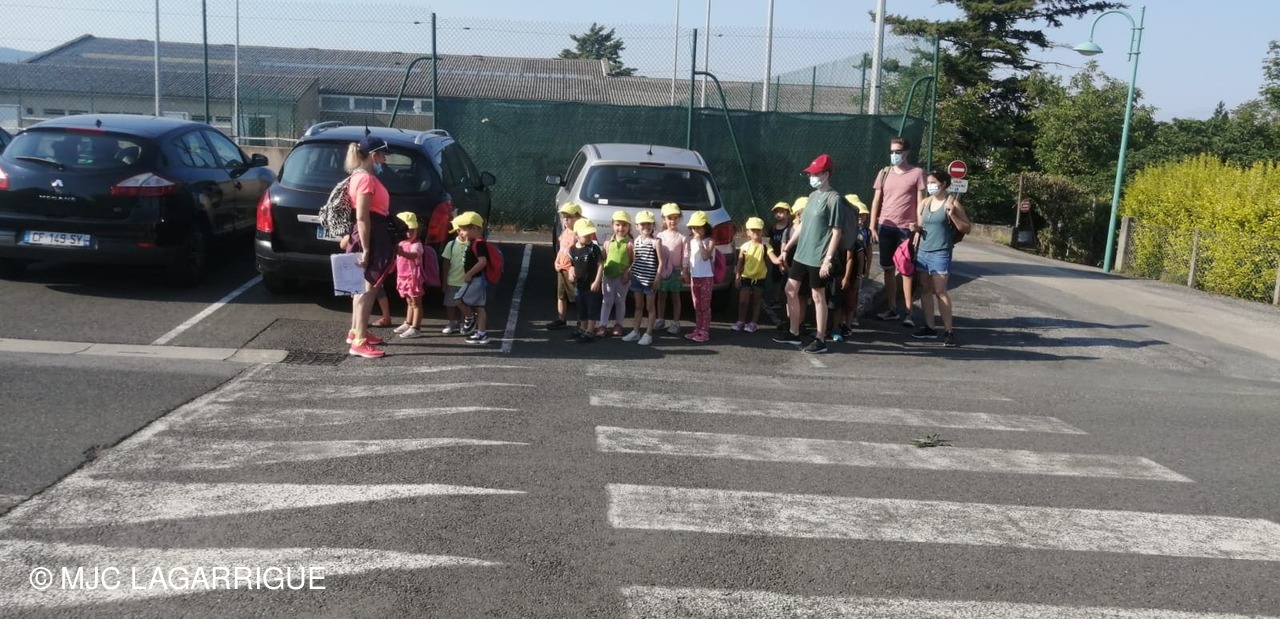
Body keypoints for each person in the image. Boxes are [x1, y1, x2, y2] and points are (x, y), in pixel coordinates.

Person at [774, 154, 846, 355]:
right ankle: (794, 332)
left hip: (818, 256)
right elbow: (802, 225)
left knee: (817, 295)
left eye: (815, 174)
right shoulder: (813, 196)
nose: (811, 177)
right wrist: (787, 248)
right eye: (811, 174)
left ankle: (820, 339)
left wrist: (827, 260)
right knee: (790, 290)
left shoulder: (834, 199)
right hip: (801, 254)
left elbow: (837, 232)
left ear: (826, 174)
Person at [343, 136, 395, 359]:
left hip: (371, 233)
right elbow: (362, 217)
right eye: (383, 156)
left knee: (361, 287)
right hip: (372, 235)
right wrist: (366, 249)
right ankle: (359, 342)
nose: (384, 160)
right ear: (374, 156)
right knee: (368, 288)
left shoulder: (359, 176)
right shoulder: (366, 180)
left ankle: (356, 331)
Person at [869, 136, 927, 328]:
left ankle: (909, 312)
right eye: (892, 151)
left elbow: (921, 202)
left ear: (906, 152)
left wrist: (918, 227)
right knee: (887, 268)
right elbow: (876, 200)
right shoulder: (884, 173)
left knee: (906, 271)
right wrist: (872, 225)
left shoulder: (917, 173)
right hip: (885, 226)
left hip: (906, 228)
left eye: (898, 152)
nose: (894, 155)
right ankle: (892, 308)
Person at [910, 170, 971, 347]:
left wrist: (952, 214)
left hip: (941, 252)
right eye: (928, 182)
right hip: (923, 250)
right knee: (925, 288)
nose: (930, 186)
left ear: (943, 184)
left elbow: (967, 228)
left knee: (940, 291)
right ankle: (929, 327)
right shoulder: (925, 202)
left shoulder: (952, 203)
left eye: (933, 182)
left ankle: (948, 331)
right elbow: (921, 225)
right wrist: (915, 228)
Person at [831, 193, 868, 340]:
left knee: (850, 301)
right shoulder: (840, 233)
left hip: (850, 276)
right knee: (838, 301)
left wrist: (857, 277)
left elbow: (856, 258)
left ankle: (847, 325)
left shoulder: (855, 239)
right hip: (838, 273)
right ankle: (837, 325)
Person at [623, 210, 663, 345]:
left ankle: (648, 334)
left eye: (649, 224)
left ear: (653, 226)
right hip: (636, 278)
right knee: (638, 306)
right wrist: (629, 270)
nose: (646, 227)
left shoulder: (656, 242)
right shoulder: (637, 241)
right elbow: (636, 259)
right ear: (637, 226)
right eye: (642, 224)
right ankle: (635, 332)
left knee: (650, 308)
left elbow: (661, 262)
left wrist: (657, 278)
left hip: (650, 280)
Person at [452, 212, 492, 345]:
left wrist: (469, 274)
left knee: (458, 299)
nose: (461, 233)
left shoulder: (478, 244)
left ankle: (470, 318)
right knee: (479, 307)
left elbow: (482, 262)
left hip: (475, 279)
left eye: (464, 229)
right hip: (478, 279)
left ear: (474, 228)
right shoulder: (474, 242)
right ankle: (482, 334)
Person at [545, 203, 582, 330]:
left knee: (576, 297)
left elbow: (579, 254)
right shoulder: (565, 232)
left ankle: (581, 321)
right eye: (564, 217)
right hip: (561, 268)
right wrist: (556, 261)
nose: (566, 220)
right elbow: (561, 250)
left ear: (578, 217)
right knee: (561, 295)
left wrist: (573, 268)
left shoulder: (578, 235)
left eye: (569, 217)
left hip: (571, 270)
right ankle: (561, 319)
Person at [568, 218, 604, 343]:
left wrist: (597, 281)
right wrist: (571, 272)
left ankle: (590, 331)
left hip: (592, 285)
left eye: (590, 234)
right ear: (577, 235)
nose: (589, 237)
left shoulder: (594, 248)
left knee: (592, 308)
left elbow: (600, 265)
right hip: (580, 285)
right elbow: (572, 264)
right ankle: (583, 329)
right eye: (585, 235)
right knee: (581, 308)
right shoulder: (572, 250)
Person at [733, 216, 772, 333]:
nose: (756, 232)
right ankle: (741, 321)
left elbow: (774, 258)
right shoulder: (744, 246)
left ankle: (753, 323)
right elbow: (740, 262)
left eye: (758, 230)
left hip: (760, 278)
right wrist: (737, 276)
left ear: (762, 231)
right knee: (743, 301)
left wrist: (781, 260)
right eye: (753, 230)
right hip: (746, 277)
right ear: (748, 232)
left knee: (757, 301)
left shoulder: (766, 246)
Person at [598, 210, 634, 338]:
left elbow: (633, 261)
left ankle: (619, 325)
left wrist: (627, 272)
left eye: (624, 225)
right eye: (617, 224)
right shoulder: (607, 243)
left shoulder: (630, 244)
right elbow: (603, 258)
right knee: (607, 301)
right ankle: (602, 325)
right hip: (608, 277)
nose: (621, 228)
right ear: (612, 225)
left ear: (629, 227)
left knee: (620, 301)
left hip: (622, 278)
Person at [682, 211, 715, 343]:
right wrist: (685, 271)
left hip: (706, 277)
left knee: (705, 306)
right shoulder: (691, 242)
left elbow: (705, 256)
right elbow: (689, 258)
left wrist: (700, 242)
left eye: (699, 227)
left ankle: (704, 331)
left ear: (705, 227)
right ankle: (698, 328)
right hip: (694, 277)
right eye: (693, 227)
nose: (696, 230)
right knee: (697, 305)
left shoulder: (710, 241)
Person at [653, 202, 686, 335]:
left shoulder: (682, 237)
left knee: (675, 298)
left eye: (675, 217)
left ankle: (676, 322)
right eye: (669, 218)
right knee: (661, 296)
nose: (672, 221)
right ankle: (660, 319)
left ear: (679, 218)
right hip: (662, 272)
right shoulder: (659, 236)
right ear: (664, 220)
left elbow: (685, 255)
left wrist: (684, 270)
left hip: (676, 272)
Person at [392, 212, 426, 339]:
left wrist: (402, 253)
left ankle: (416, 328)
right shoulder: (402, 243)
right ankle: (408, 322)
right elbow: (397, 260)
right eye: (406, 230)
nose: (409, 233)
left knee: (416, 303)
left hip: (413, 278)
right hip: (403, 277)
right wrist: (392, 267)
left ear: (417, 230)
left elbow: (414, 255)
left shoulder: (417, 244)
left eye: (412, 230)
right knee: (409, 301)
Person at [763, 201, 793, 326]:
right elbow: (770, 241)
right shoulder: (773, 227)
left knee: (788, 279)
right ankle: (776, 299)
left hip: (788, 257)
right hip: (775, 256)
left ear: (788, 213)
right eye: (776, 212)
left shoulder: (791, 228)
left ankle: (787, 299)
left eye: (781, 212)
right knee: (776, 279)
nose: (778, 214)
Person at [439, 227, 467, 335]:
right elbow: (446, 263)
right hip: (452, 280)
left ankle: (463, 323)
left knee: (464, 304)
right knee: (450, 304)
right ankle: (451, 323)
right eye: (461, 230)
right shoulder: (451, 244)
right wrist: (444, 282)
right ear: (457, 231)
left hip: (466, 282)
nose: (464, 232)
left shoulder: (471, 244)